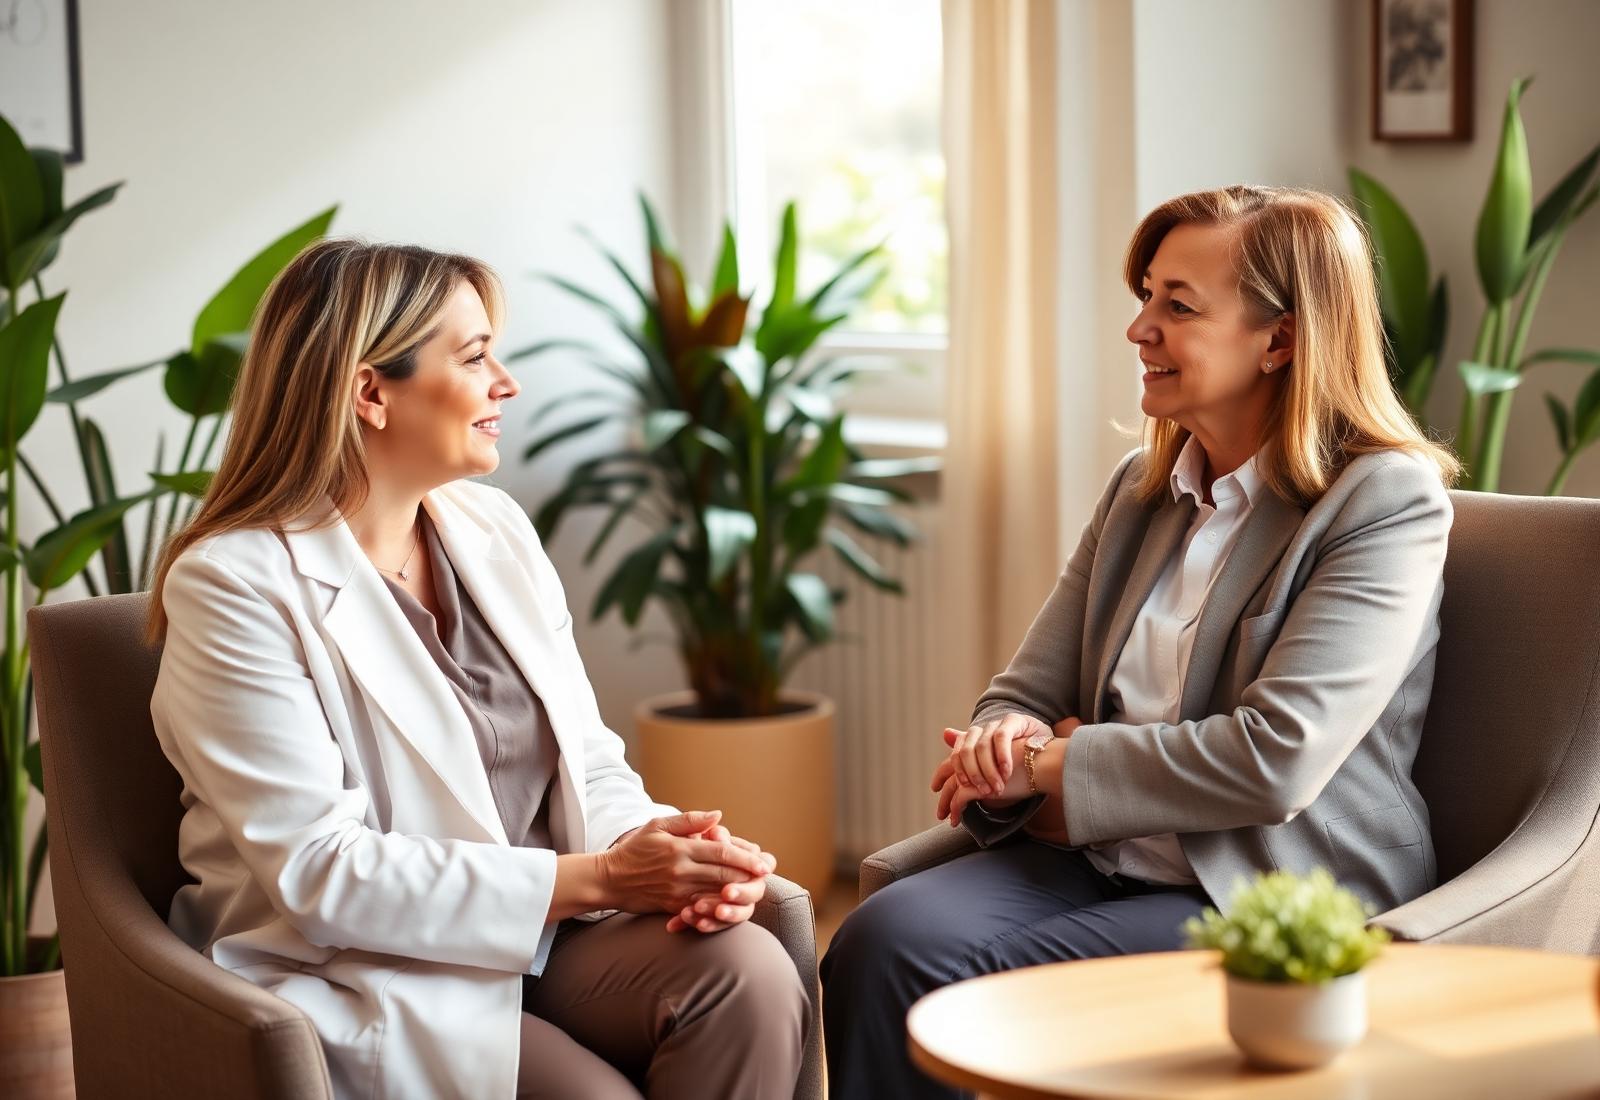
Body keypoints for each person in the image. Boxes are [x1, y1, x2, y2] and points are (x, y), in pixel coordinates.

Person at [821, 184, 1460, 1098]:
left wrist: (1047, 767)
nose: (1139, 329)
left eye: (1178, 305)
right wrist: (1009, 736)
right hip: (1099, 859)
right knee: (878, 941)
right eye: (1145, 297)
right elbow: (1024, 689)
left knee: (978, 986)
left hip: (1260, 888)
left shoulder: (1382, 504)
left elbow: (1275, 762)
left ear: (1280, 340)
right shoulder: (1141, 490)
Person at [146, 240, 809, 1100]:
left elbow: (588, 760)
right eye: (474, 356)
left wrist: (666, 850)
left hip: (550, 932)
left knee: (748, 975)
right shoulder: (234, 584)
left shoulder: (491, 529)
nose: (507, 381)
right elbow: (321, 871)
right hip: (372, 966)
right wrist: (603, 879)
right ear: (369, 392)